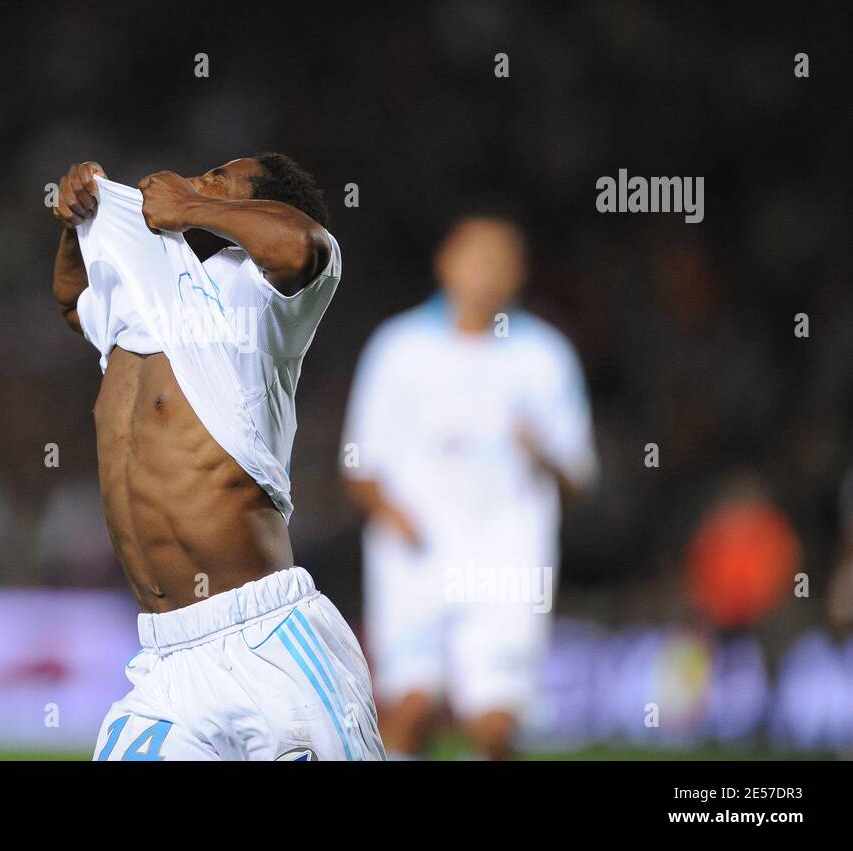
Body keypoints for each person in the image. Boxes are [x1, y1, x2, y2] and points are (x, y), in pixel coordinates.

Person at [51, 154, 384, 760]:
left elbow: (306, 246)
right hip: (165, 662)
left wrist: (195, 207)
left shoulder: (265, 303)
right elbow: (75, 304)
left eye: (219, 179)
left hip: (270, 643)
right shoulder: (153, 293)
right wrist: (77, 223)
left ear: (265, 206)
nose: (196, 181)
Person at [342, 216, 597, 759]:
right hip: (414, 554)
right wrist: (395, 516)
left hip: (508, 557)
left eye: (501, 261)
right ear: (445, 263)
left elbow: (579, 478)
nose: (487, 273)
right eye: (476, 257)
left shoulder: (545, 356)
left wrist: (544, 455)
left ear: (519, 274)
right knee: (411, 708)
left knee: (496, 723)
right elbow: (358, 464)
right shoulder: (399, 347)